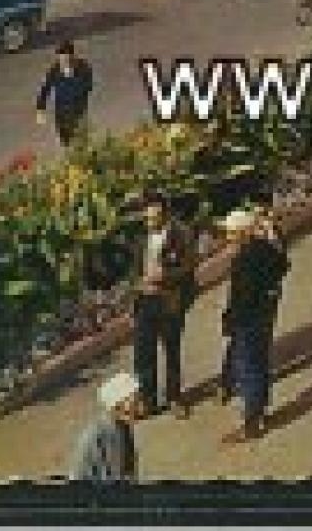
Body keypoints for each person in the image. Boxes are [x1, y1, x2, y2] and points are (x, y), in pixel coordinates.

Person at [218, 208, 290, 445]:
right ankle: (259, 409)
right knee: (260, 363)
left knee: (249, 367)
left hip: (248, 320)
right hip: (265, 315)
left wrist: (230, 320)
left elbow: (242, 297)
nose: (228, 237)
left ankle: (251, 421)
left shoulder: (244, 258)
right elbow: (283, 265)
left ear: (242, 233)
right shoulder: (264, 247)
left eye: (231, 233)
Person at [131, 195, 196, 419]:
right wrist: (137, 285)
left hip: (169, 301)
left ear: (165, 214)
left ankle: (174, 397)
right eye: (147, 218)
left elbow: (188, 266)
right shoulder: (140, 238)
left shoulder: (181, 234)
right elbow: (135, 267)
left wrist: (164, 276)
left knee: (171, 351)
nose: (150, 222)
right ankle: (148, 401)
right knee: (143, 353)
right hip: (145, 302)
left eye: (155, 218)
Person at [67, 372, 142, 484]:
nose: (139, 409)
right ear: (117, 406)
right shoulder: (100, 435)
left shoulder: (122, 429)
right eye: (134, 403)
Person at [34, 40, 96, 148]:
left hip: (77, 111)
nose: (61, 59)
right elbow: (45, 89)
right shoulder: (55, 70)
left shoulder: (82, 67)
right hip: (61, 113)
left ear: (71, 56)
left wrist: (71, 78)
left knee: (80, 140)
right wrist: (40, 109)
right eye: (60, 56)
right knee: (66, 142)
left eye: (64, 56)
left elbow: (88, 86)